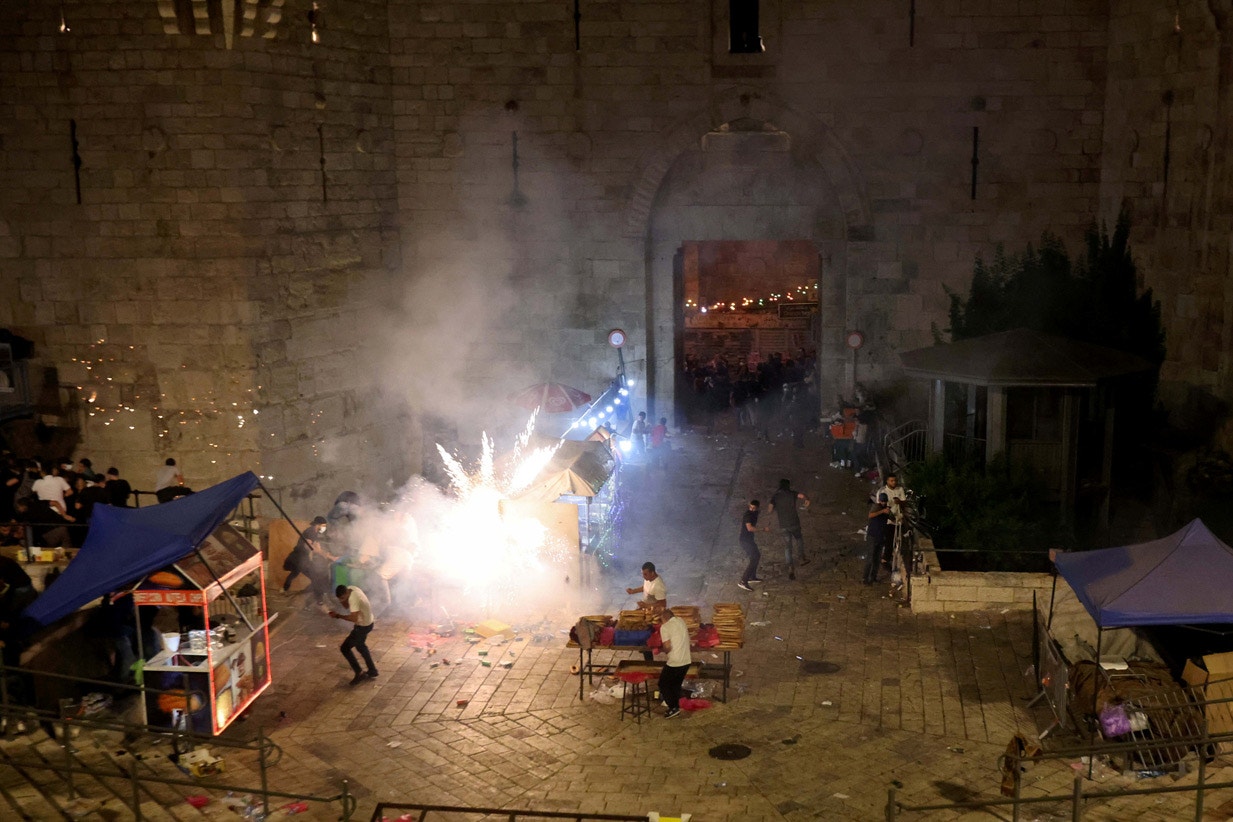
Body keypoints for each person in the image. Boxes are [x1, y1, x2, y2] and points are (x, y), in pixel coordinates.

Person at [330, 584, 378, 686]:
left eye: (343, 598)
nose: (342, 600)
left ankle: (359, 672)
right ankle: (372, 670)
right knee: (361, 646)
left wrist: (338, 616)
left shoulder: (353, 599)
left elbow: (353, 619)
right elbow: (346, 606)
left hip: (362, 626)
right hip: (368, 622)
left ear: (346, 593)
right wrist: (343, 600)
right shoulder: (352, 588)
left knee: (345, 648)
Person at [282, 517, 335, 603]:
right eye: (323, 526)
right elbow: (312, 548)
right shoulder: (310, 532)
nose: (324, 528)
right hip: (299, 558)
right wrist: (330, 557)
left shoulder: (314, 532)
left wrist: (328, 555)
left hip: (299, 558)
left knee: (295, 573)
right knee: (315, 577)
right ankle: (317, 600)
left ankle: (284, 590)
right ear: (317, 525)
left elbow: (318, 547)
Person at [768, 478, 811, 579]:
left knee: (788, 546)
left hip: (783, 525)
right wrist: (807, 499)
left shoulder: (775, 496)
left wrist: (776, 507)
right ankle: (801, 558)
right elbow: (802, 496)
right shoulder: (792, 493)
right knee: (799, 539)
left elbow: (769, 509)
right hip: (794, 522)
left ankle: (790, 566)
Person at [655, 607, 691, 719]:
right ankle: (676, 706)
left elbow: (667, 647)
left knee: (663, 684)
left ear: (664, 618)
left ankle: (673, 707)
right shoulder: (680, 620)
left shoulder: (665, 627)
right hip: (686, 660)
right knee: (675, 685)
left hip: (675, 662)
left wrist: (661, 650)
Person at [737, 500, 769, 591]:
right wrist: (763, 529)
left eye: (754, 508)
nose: (751, 509)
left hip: (749, 539)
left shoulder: (755, 513)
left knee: (756, 556)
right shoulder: (748, 515)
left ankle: (752, 577)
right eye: (750, 507)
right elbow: (749, 528)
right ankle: (743, 581)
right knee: (754, 558)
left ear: (757, 508)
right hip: (745, 540)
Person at [864, 492, 892, 585]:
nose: (883, 503)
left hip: (880, 537)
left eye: (885, 501)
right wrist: (882, 511)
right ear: (880, 500)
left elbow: (890, 518)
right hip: (872, 536)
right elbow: (870, 515)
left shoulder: (886, 509)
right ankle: (866, 578)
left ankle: (873, 577)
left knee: (877, 559)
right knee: (870, 559)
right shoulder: (876, 507)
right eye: (882, 501)